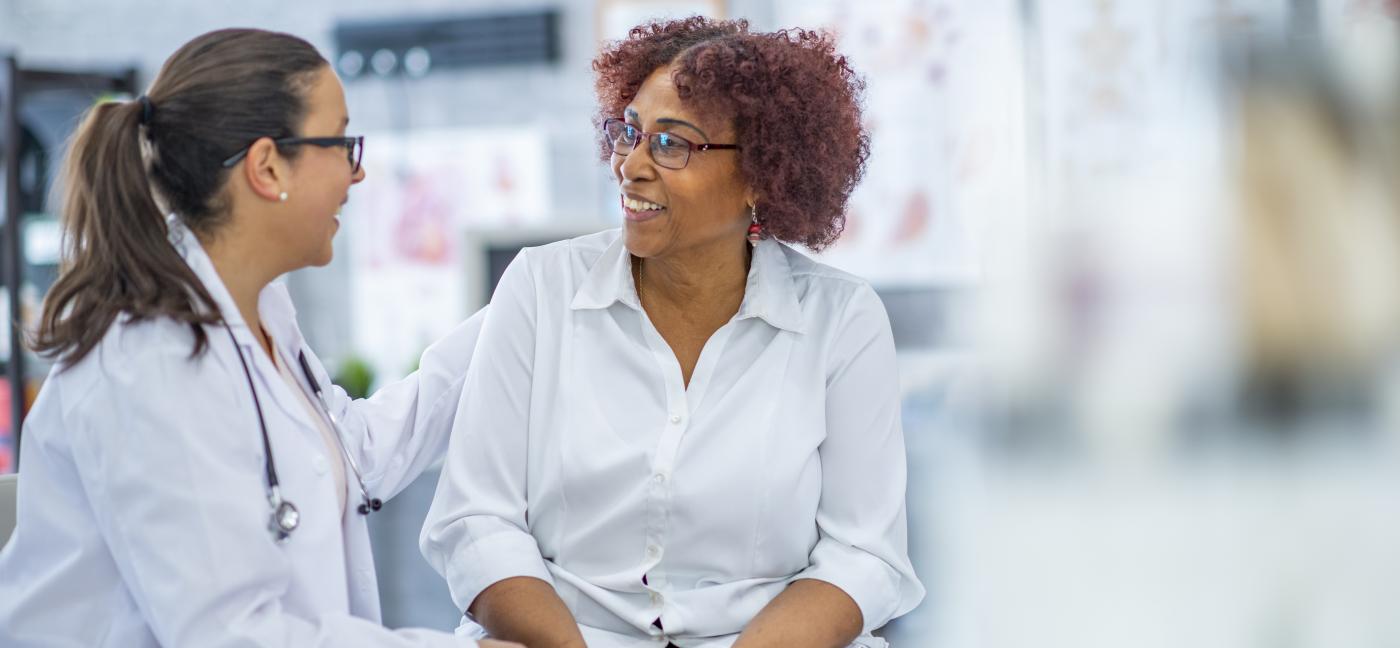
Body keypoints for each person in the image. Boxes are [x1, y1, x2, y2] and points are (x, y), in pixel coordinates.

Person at [0, 28, 516, 648]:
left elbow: (355, 454)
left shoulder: (260, 311)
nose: (358, 172)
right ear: (267, 166)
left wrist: (517, 310)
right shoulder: (150, 359)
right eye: (342, 142)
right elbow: (231, 634)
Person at [421, 17, 923, 648]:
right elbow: (476, 520)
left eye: (672, 144)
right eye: (629, 133)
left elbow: (863, 555)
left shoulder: (842, 321)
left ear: (764, 175)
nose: (631, 165)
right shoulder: (540, 287)